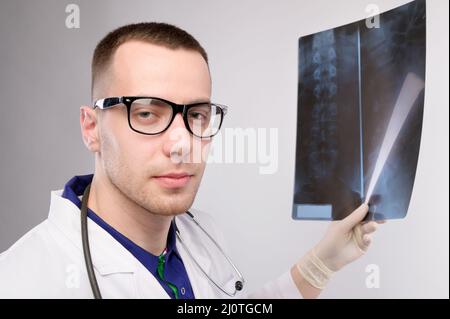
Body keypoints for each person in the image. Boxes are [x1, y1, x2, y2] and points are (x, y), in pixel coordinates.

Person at [0, 22, 383, 299]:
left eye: (197, 115)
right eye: (147, 113)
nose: (182, 143)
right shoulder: (24, 282)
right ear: (91, 128)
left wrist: (320, 264)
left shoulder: (201, 235)